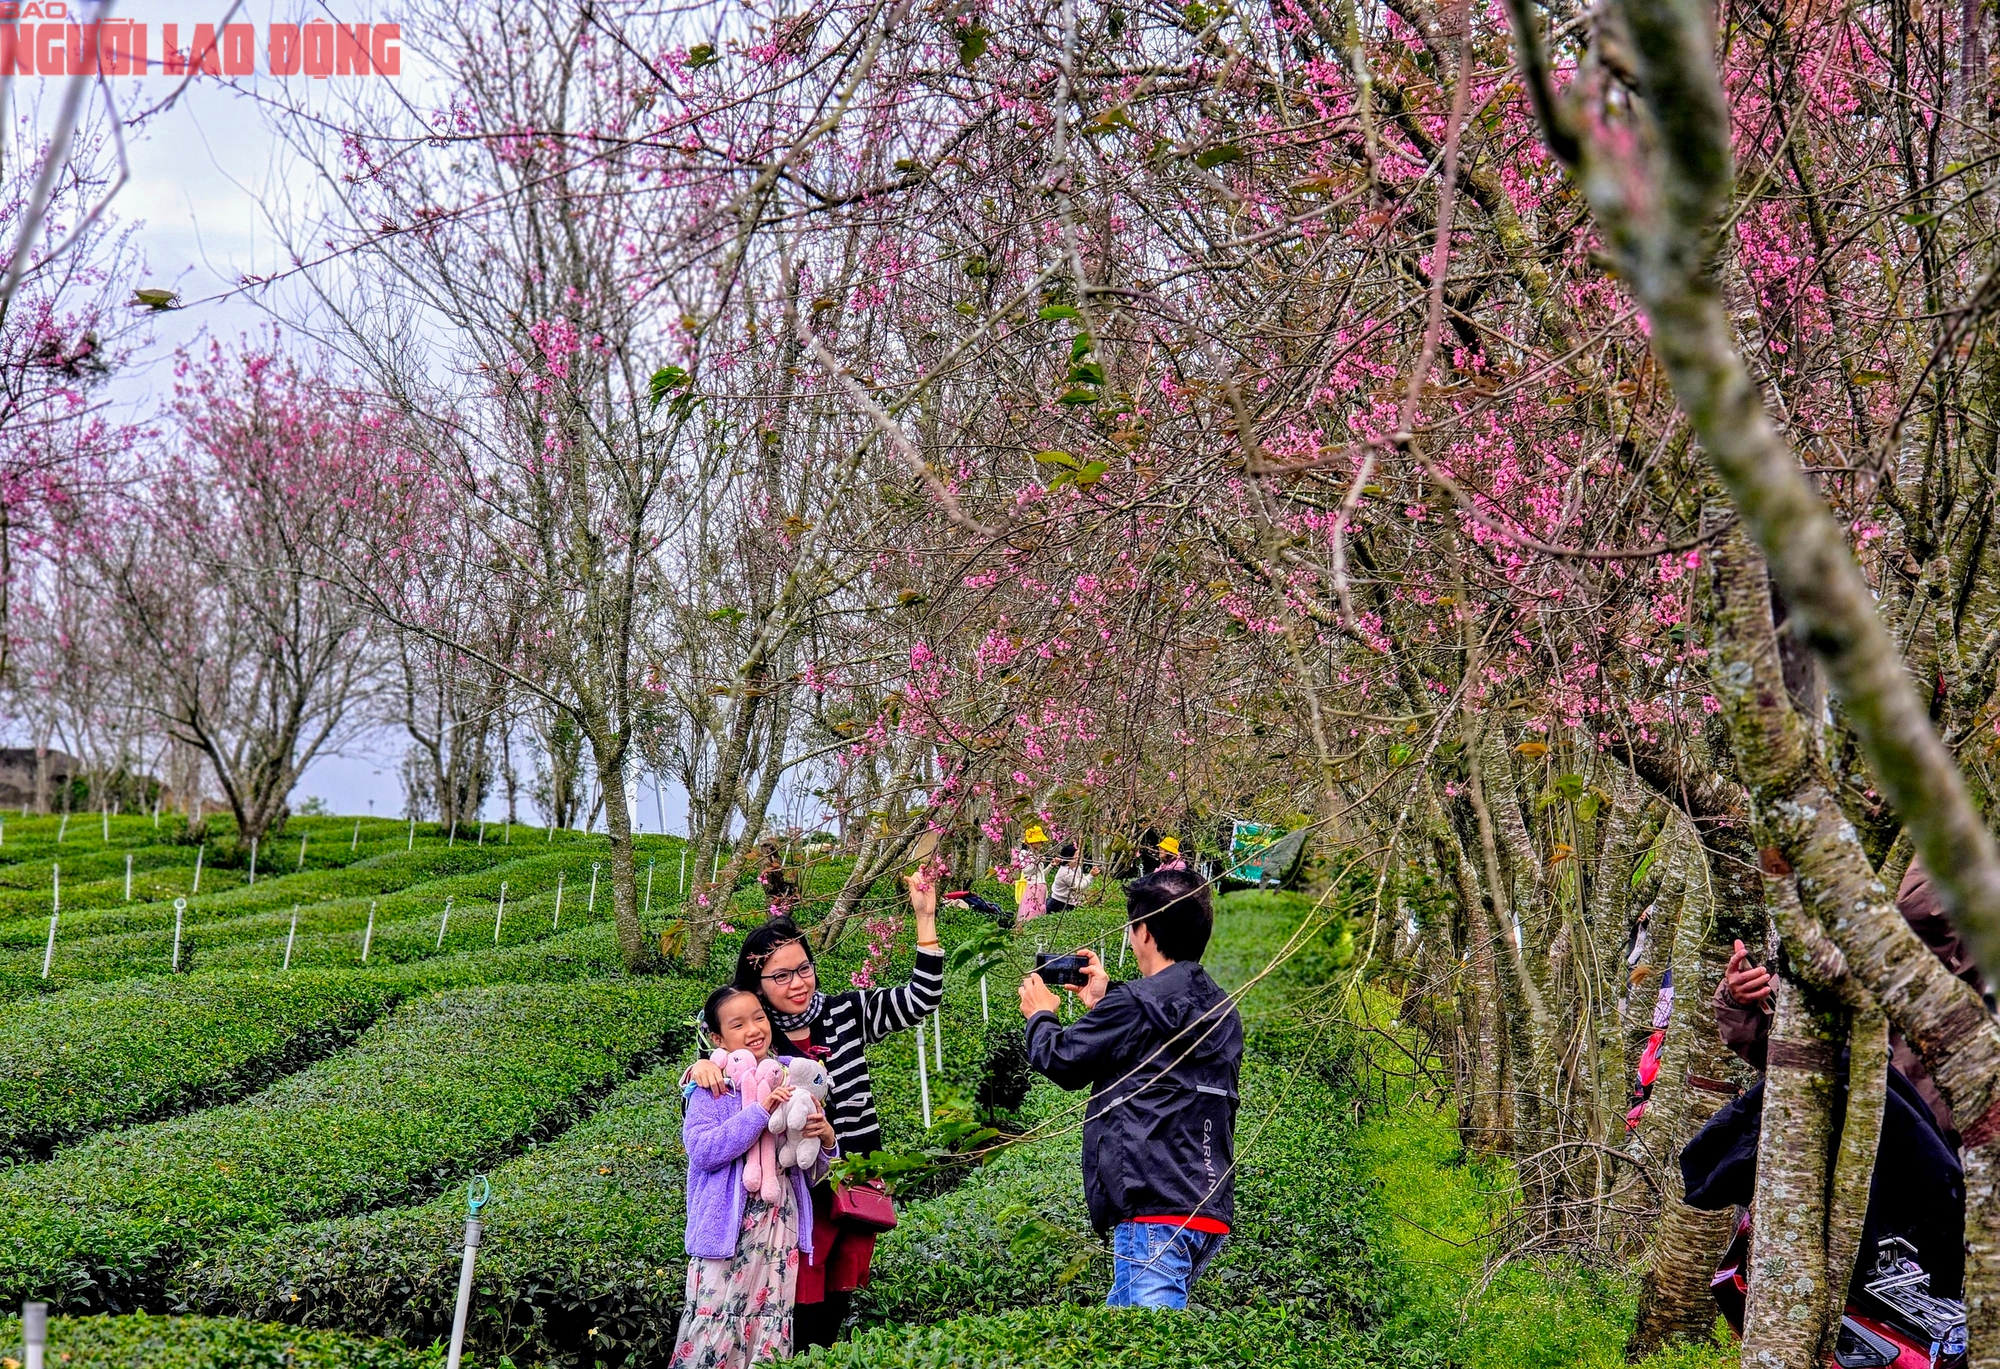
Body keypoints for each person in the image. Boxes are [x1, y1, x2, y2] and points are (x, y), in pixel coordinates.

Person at [685, 872, 945, 1348]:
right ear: (757, 984)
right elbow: (723, 1067)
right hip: (795, 1188)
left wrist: (924, 919)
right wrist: (699, 1068)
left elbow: (920, 999)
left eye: (803, 968)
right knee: (797, 1299)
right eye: (780, 975)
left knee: (838, 1294)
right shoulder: (758, 1038)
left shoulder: (845, 1011)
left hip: (853, 1175)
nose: (797, 983)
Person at [1017, 866, 1244, 1309]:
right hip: (1205, 1208)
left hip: (1153, 1207)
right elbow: (1164, 1032)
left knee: (1144, 1342)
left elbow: (1062, 1059)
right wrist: (1110, 998)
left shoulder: (1137, 1005)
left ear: (1143, 932)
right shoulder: (1223, 1009)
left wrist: (1041, 1015)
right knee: (1131, 1334)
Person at [1715, 859, 1989, 1141]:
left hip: (1927, 1146)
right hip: (1833, 1138)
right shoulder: (1840, 948)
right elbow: (1781, 1047)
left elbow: (1918, 912)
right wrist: (1740, 998)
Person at [674, 985, 838, 1369]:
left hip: (778, 1228)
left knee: (768, 1331)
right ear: (717, 1038)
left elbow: (811, 1168)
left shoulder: (792, 1079)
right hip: (726, 1234)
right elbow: (703, 1151)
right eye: (738, 1024)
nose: (753, 1029)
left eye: (759, 1018)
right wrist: (760, 1112)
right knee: (712, 1328)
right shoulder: (711, 1088)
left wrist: (828, 1140)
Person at [1015, 825, 1051, 922]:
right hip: (1033, 888)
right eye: (1040, 841)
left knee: (1039, 914)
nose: (1042, 844)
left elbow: (1041, 874)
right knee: (1031, 914)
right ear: (1033, 842)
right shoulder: (1024, 854)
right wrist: (1037, 861)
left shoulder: (1035, 855)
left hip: (1041, 886)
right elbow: (1027, 870)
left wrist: (1051, 865)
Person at [1049, 842, 1093, 915]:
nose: (1080, 858)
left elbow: (1082, 879)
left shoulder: (1076, 867)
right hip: (1058, 903)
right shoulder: (1066, 873)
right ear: (1069, 857)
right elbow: (1078, 887)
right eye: (1077, 856)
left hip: (1069, 902)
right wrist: (1091, 875)